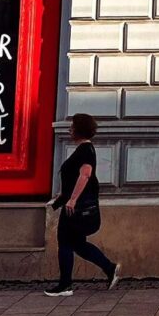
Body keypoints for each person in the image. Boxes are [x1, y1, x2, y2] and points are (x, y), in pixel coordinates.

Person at [44, 112, 121, 297]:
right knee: (77, 244)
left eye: (72, 126)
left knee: (65, 242)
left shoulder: (85, 150)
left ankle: (65, 285)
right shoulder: (85, 149)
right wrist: (63, 196)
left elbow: (85, 174)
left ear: (79, 129)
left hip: (75, 207)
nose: (69, 129)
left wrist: (72, 199)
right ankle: (109, 268)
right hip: (75, 204)